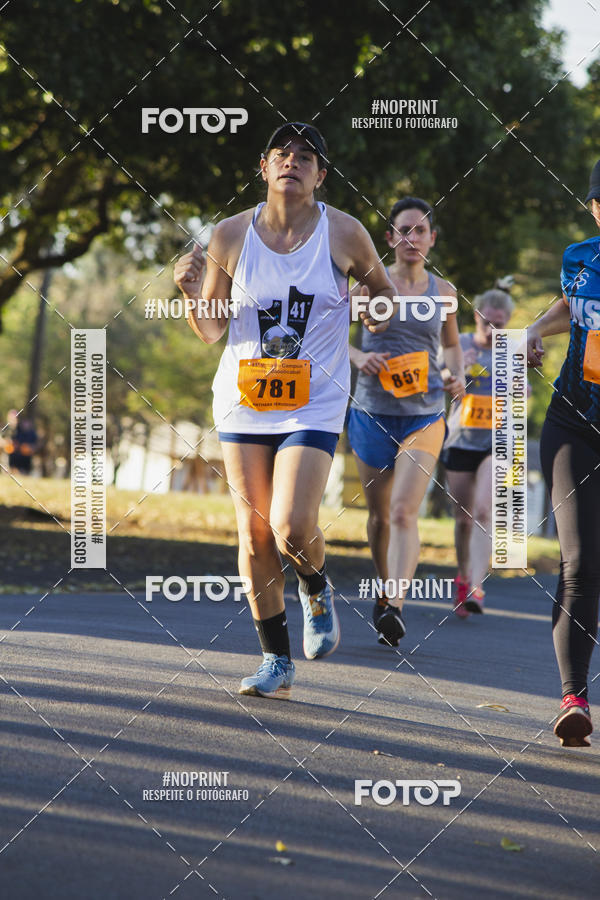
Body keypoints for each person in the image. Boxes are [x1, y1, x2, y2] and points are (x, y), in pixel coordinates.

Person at [174, 122, 395, 699]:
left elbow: (385, 305)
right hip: (244, 400)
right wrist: (187, 290)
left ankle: (315, 586)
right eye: (281, 153)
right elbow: (210, 329)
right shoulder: (229, 234)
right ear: (264, 168)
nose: (292, 162)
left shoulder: (344, 232)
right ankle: (276, 660)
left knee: (292, 526)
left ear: (321, 174)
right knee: (253, 535)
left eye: (306, 156)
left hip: (313, 402)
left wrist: (371, 310)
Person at [347, 197, 465, 646]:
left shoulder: (445, 292)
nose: (411, 239)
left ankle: (394, 606)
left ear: (432, 239)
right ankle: (383, 590)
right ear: (389, 238)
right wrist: (361, 357)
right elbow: (335, 340)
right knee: (378, 517)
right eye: (403, 230)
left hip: (425, 414)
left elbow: (451, 346)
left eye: (419, 231)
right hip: (371, 412)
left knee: (403, 511)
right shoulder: (367, 288)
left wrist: (454, 374)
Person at [526, 159, 600, 748]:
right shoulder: (580, 257)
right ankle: (573, 698)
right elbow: (567, 308)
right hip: (572, 421)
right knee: (579, 559)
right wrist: (530, 330)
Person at [442, 281, 514, 618]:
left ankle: (475, 585)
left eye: (499, 324)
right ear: (476, 317)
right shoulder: (461, 344)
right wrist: (459, 370)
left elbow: (523, 396)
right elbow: (441, 381)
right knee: (464, 520)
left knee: (484, 511)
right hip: (460, 441)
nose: (492, 329)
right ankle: (463, 575)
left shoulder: (511, 350)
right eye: (487, 322)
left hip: (495, 443)